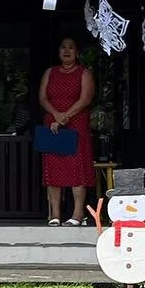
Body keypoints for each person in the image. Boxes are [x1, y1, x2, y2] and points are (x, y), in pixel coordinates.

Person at [37, 37, 96, 225]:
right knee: (53, 168)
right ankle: (55, 214)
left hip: (75, 124)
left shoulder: (84, 73)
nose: (67, 50)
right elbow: (43, 98)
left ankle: (78, 214)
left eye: (71, 47)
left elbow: (85, 99)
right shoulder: (50, 72)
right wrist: (56, 115)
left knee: (76, 167)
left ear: (77, 52)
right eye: (63, 47)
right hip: (53, 125)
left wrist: (65, 116)